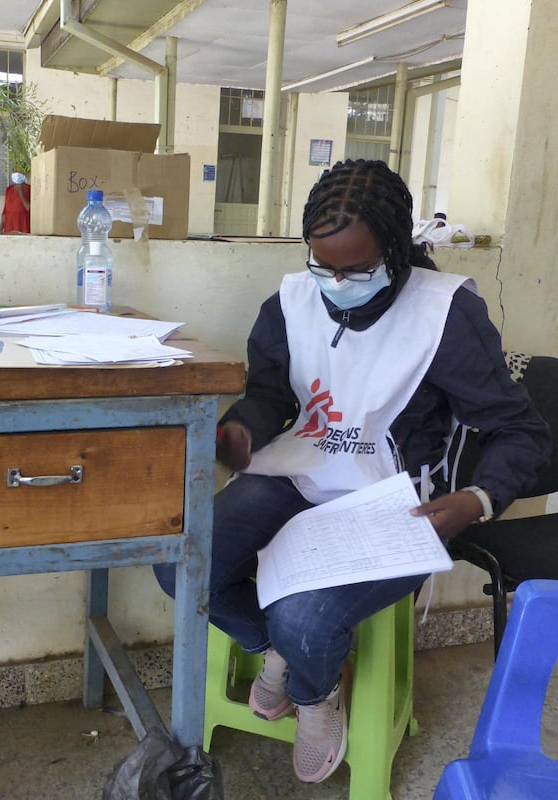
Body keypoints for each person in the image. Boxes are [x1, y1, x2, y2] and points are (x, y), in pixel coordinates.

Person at [154, 159, 551, 785]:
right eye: (322, 266)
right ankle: (283, 655)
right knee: (183, 562)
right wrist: (238, 434)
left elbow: (520, 432)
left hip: (393, 501)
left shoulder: (444, 316)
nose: (335, 282)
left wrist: (476, 498)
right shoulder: (289, 303)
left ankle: (314, 695)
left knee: (304, 616)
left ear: (395, 252)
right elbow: (272, 397)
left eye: (355, 269)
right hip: (295, 475)